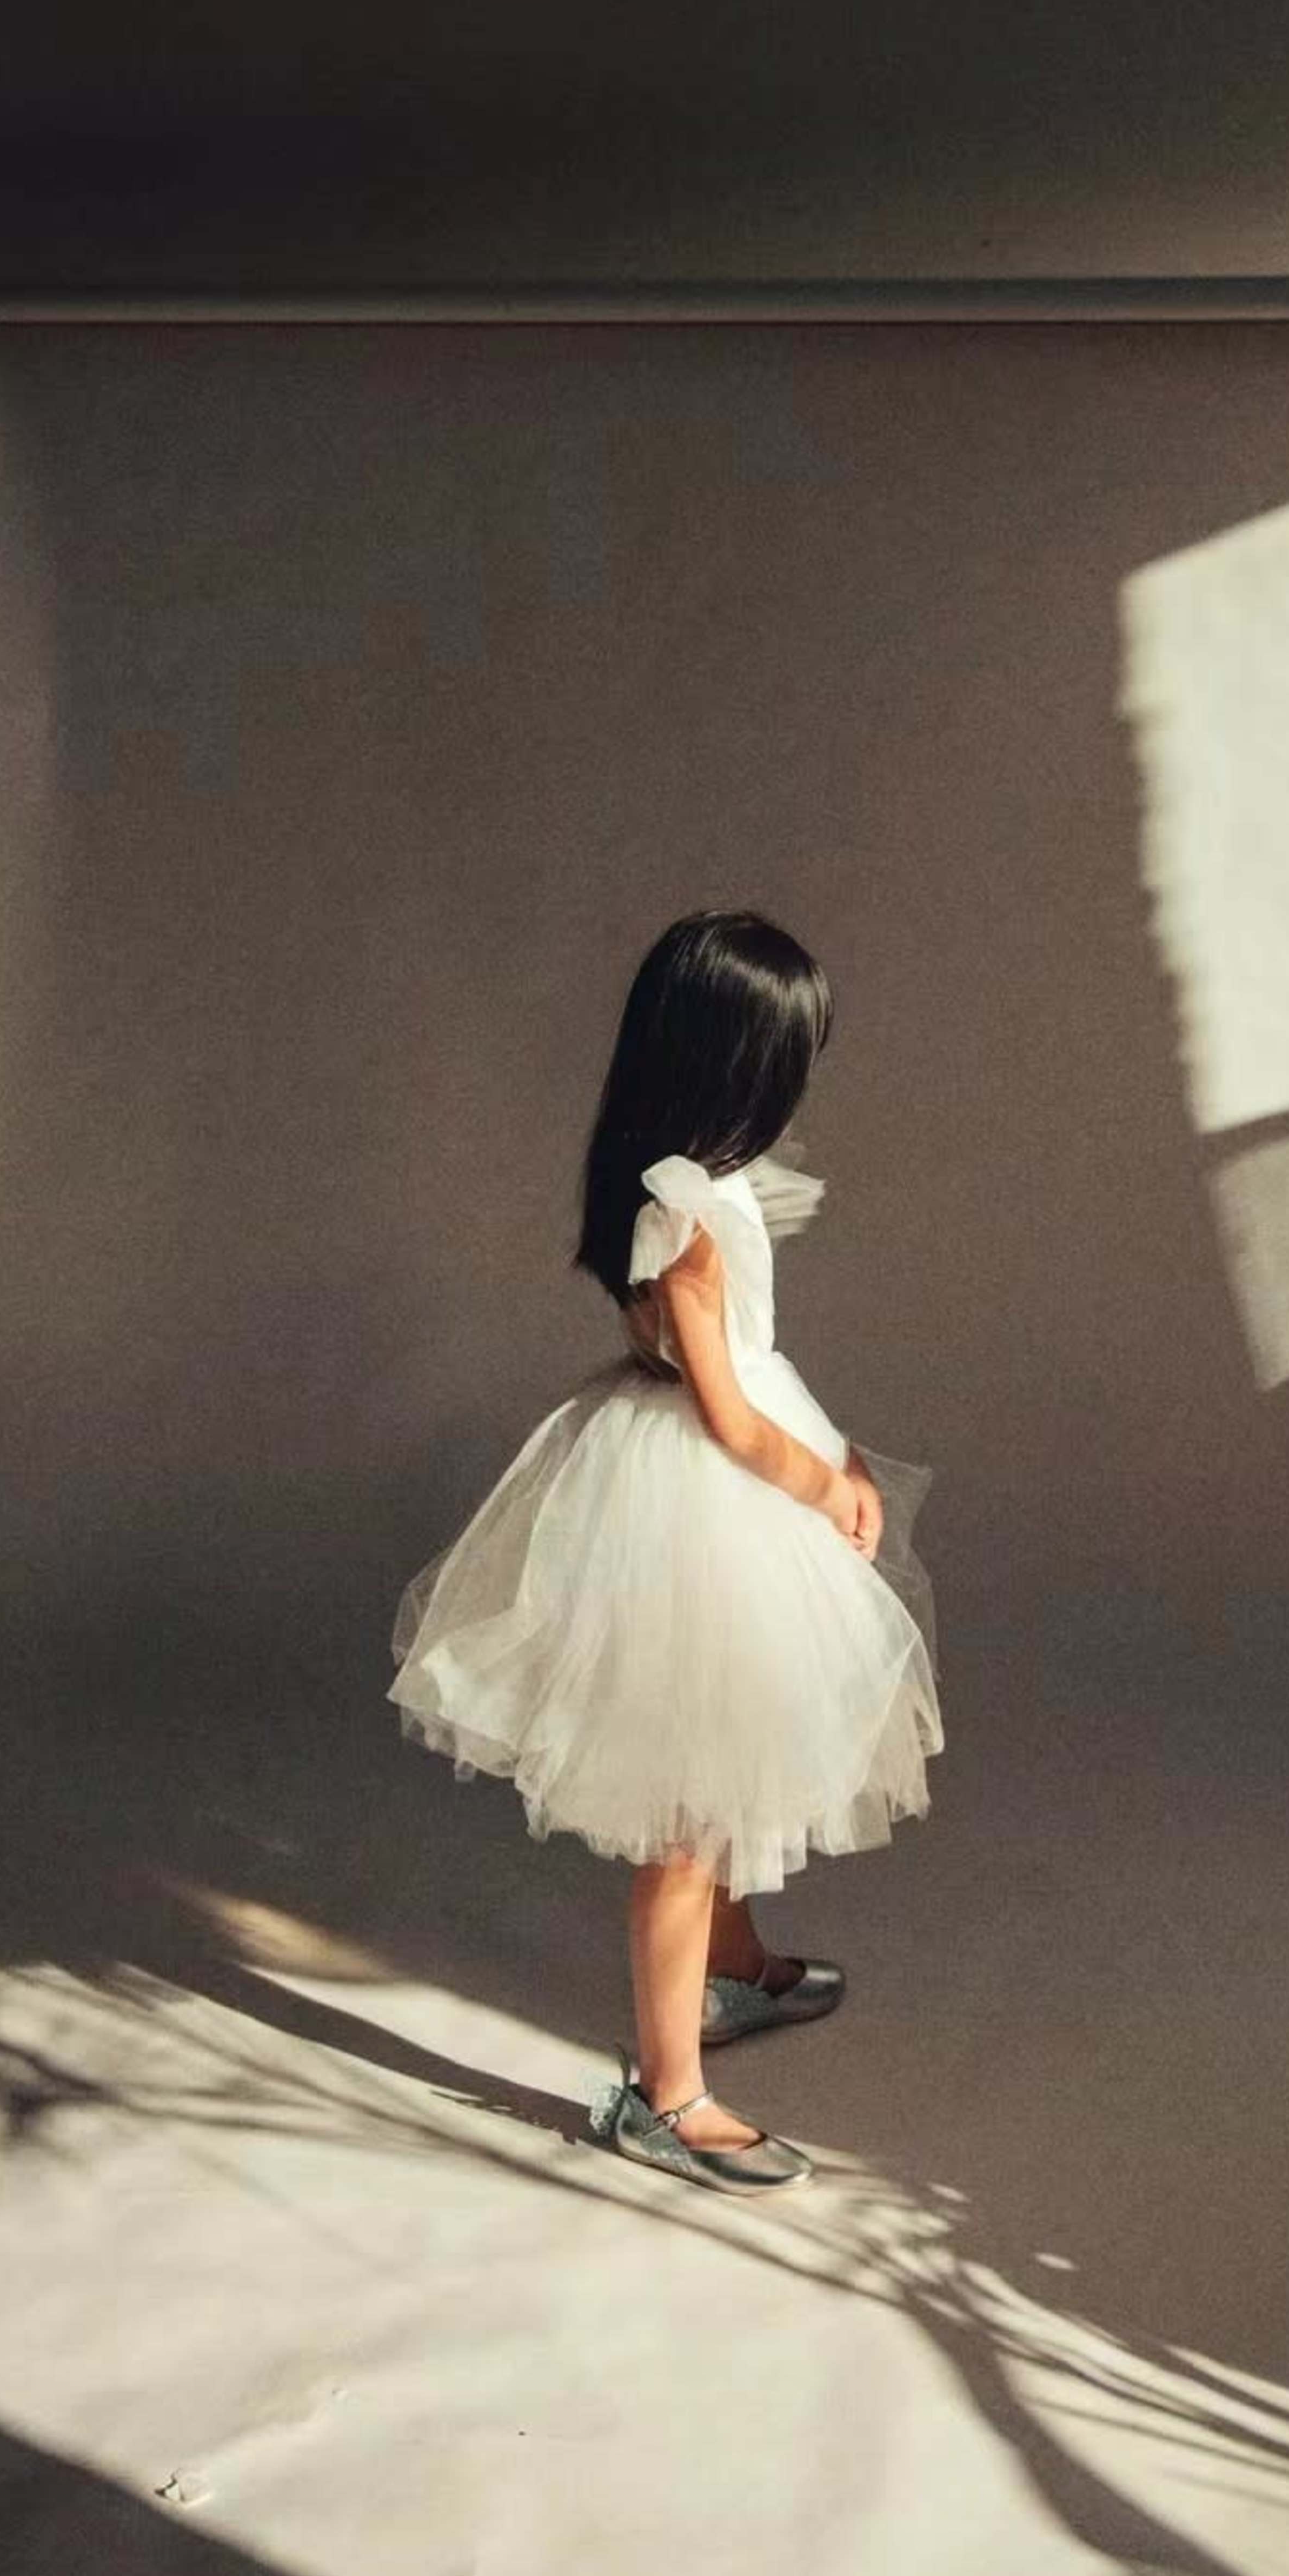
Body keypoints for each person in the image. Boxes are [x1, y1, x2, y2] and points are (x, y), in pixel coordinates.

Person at [388, 909, 943, 2198]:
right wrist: (830, 1486)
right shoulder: (683, 1209)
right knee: (690, 1807)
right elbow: (728, 1412)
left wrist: (833, 1452)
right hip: (703, 1495)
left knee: (735, 1753)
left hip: (717, 1468)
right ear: (733, 1065)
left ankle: (734, 1970)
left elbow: (744, 1371)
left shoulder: (696, 1180)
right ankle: (665, 2093)